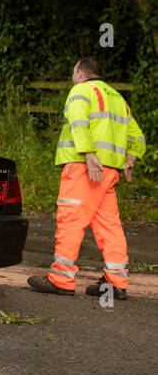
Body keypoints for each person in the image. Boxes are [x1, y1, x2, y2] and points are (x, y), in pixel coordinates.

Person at [28, 57, 145, 299]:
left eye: (73, 70)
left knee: (71, 219)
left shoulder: (80, 90)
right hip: (110, 172)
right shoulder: (117, 97)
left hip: (85, 167)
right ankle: (116, 282)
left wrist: (89, 154)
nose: (73, 75)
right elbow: (137, 135)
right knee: (109, 226)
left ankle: (61, 279)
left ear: (81, 72)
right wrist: (131, 158)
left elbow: (79, 122)